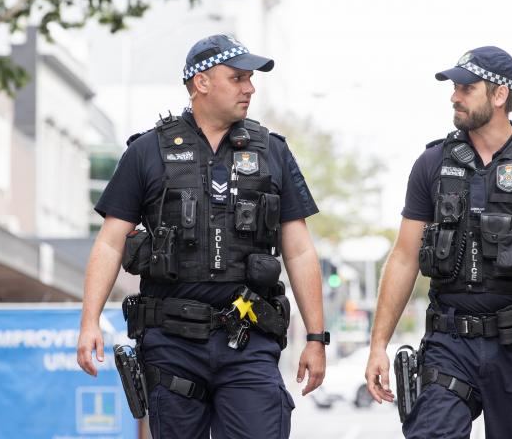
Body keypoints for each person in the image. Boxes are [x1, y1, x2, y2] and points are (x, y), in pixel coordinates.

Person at [76, 34, 328, 439]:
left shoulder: (272, 152)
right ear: (202, 82)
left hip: (249, 339)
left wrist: (316, 337)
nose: (250, 88)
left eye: (250, 79)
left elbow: (298, 251)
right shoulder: (146, 152)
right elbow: (109, 242)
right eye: (238, 77)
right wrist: (89, 321)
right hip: (171, 343)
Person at [364, 46, 512, 438]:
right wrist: (378, 344)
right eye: (454, 88)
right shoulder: (432, 163)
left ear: (499, 95)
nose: (455, 96)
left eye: (467, 88)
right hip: (449, 343)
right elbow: (403, 258)